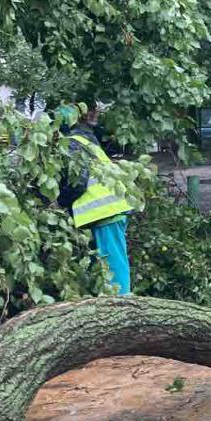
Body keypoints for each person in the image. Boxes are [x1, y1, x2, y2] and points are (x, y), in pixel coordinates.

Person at [57, 103, 134, 295]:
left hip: (105, 211)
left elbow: (78, 182)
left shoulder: (71, 143)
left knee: (113, 267)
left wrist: (60, 202)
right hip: (106, 210)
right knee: (105, 265)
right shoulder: (85, 140)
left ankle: (121, 308)